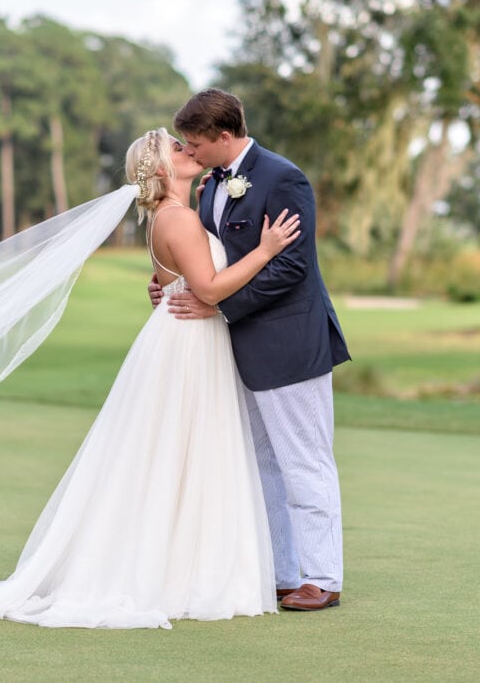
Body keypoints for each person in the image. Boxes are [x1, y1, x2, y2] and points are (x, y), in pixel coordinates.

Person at [0, 128, 301, 629]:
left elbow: (168, 284)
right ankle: (180, 572)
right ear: (160, 169)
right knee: (183, 451)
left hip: (186, 339)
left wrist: (169, 285)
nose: (189, 150)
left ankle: (184, 566)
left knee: (181, 454)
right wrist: (265, 250)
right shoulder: (176, 219)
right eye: (178, 148)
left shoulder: (180, 213)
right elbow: (210, 288)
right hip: (188, 346)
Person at [150, 89, 351, 611]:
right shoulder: (208, 189)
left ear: (224, 137)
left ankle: (323, 578)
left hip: (289, 343)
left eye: (196, 143)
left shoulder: (283, 177)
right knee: (261, 464)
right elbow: (208, 264)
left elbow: (292, 267)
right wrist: (173, 288)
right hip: (233, 352)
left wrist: (218, 306)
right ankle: (282, 573)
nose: (190, 152)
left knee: (304, 462)